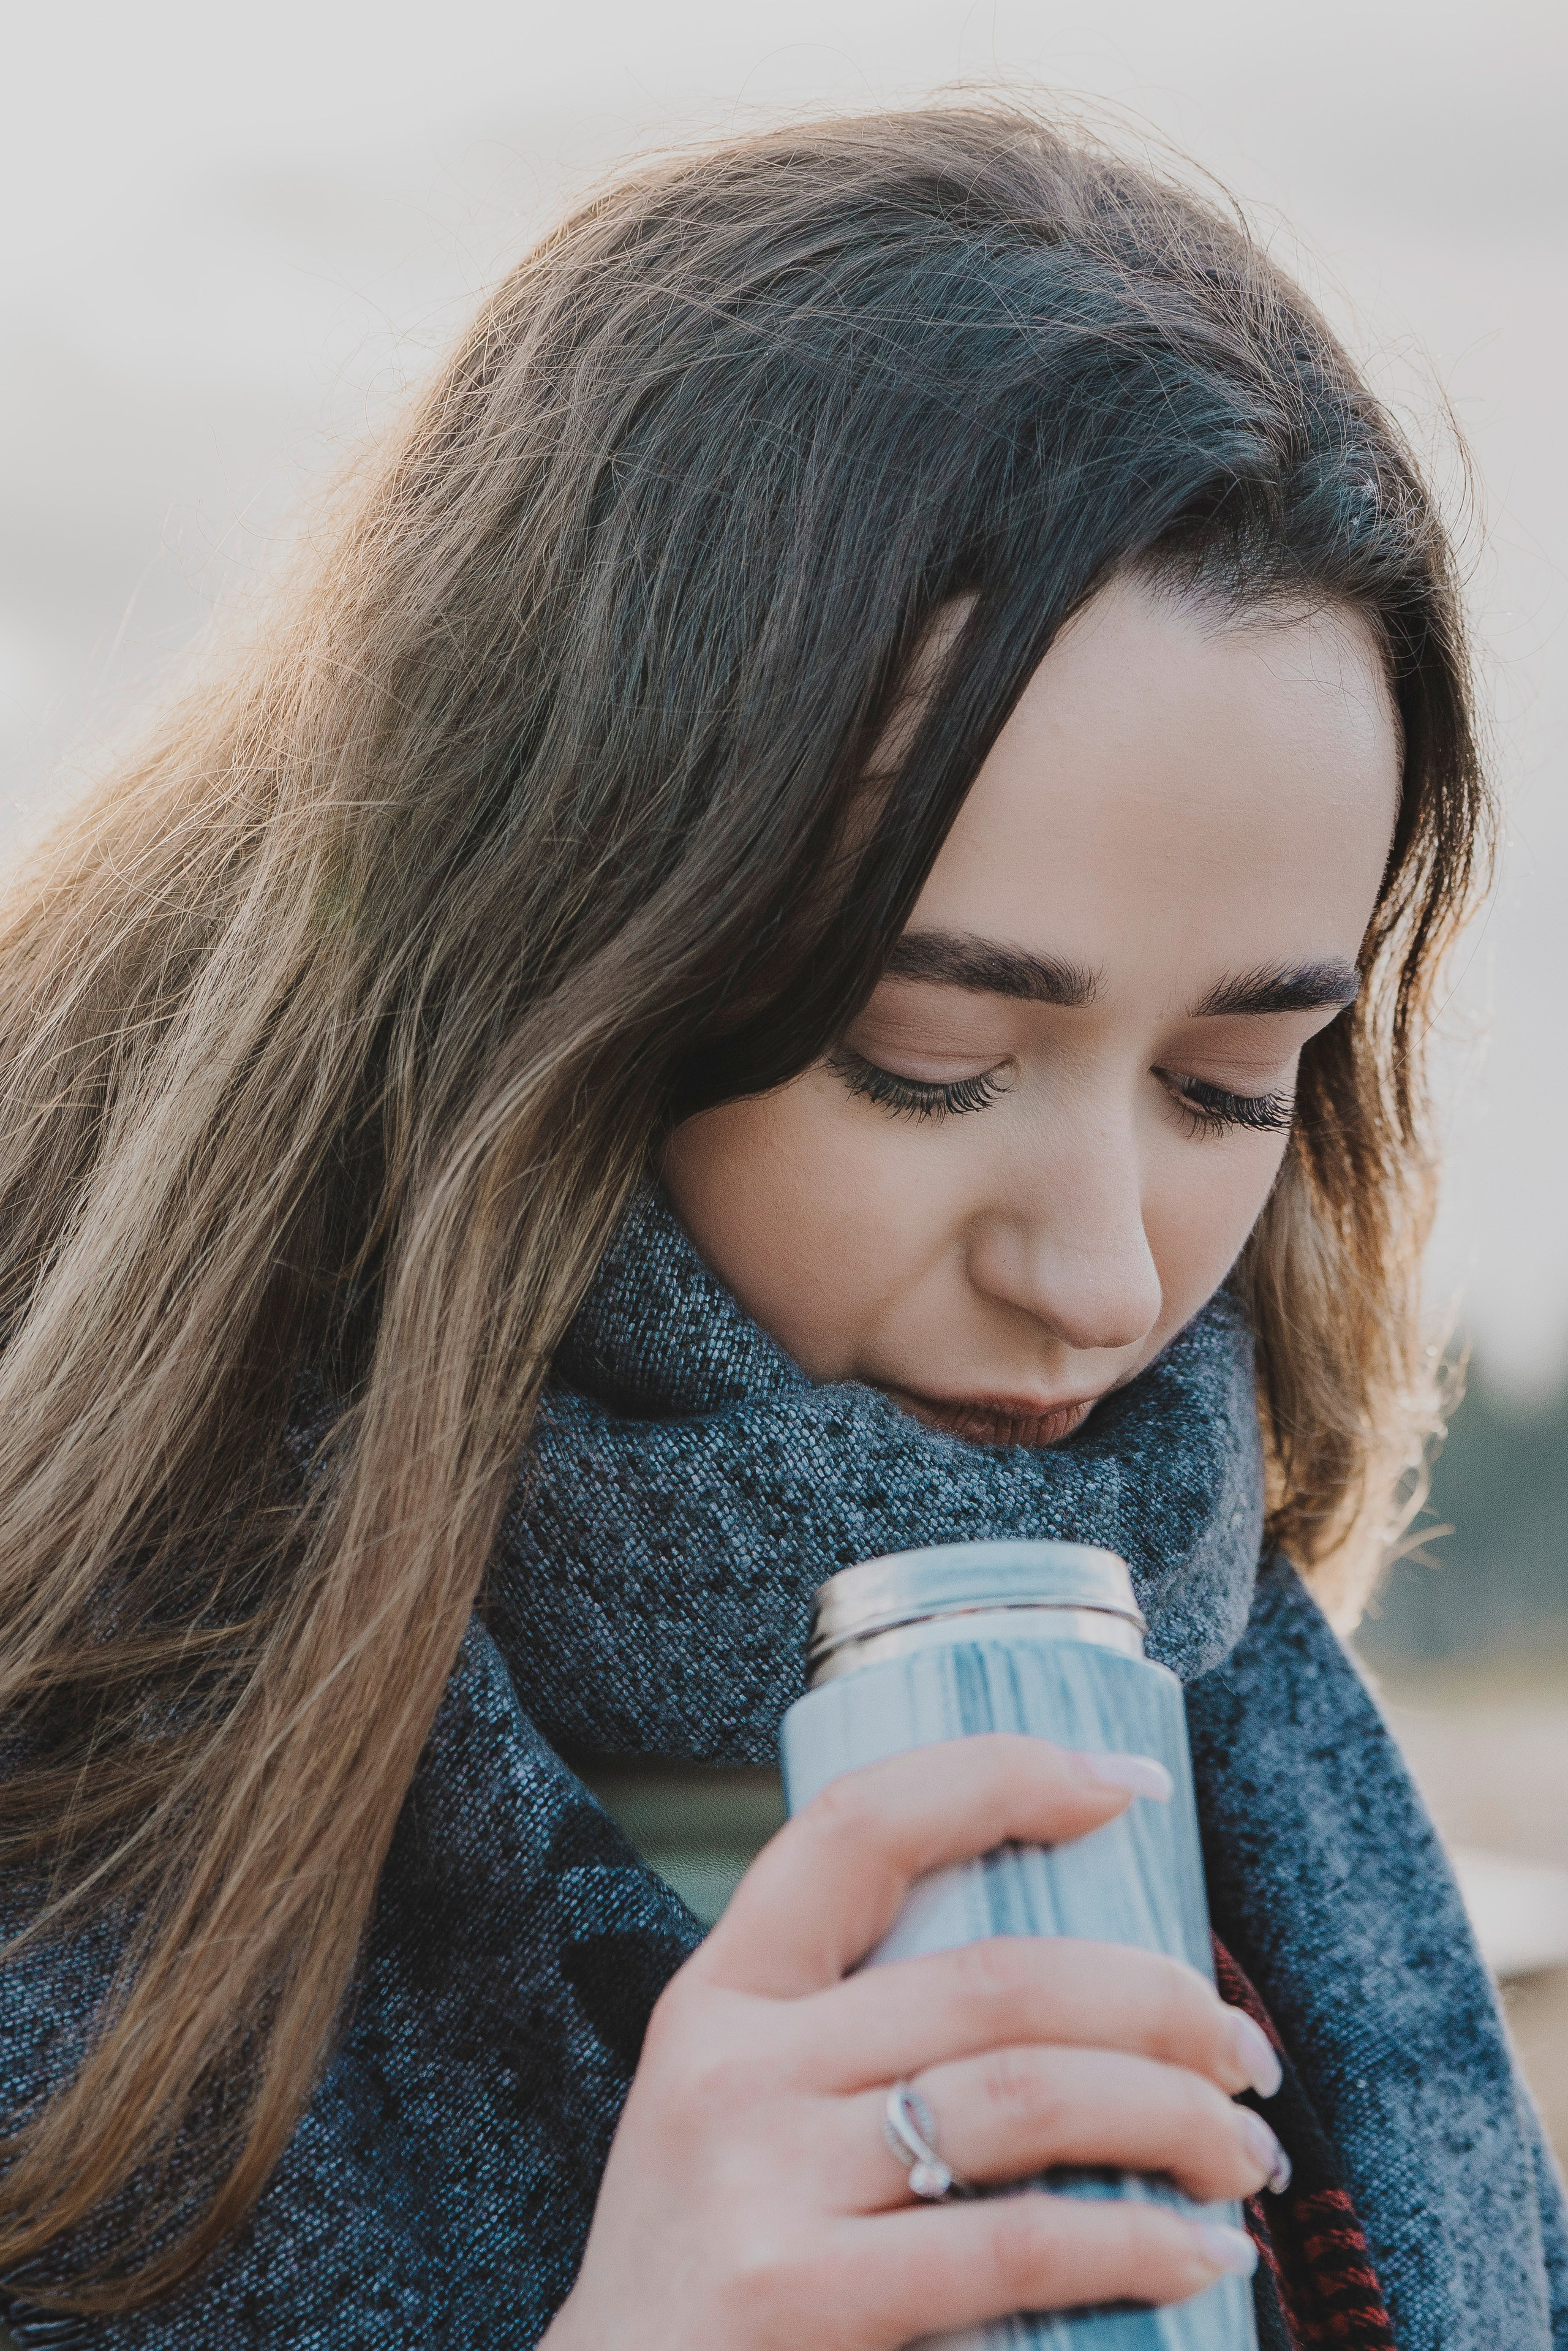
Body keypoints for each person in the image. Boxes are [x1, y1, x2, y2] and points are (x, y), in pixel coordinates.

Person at [0, 104, 1561, 2351]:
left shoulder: (1261, 1739)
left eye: (1235, 1085)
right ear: (553, 959)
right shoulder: (89, 1809)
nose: (1110, 1280)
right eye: (931, 1059)